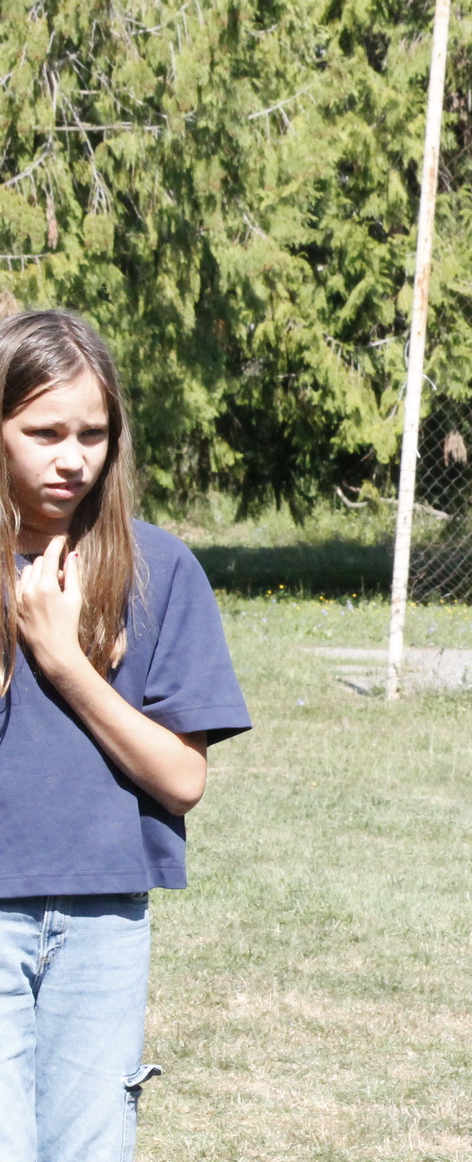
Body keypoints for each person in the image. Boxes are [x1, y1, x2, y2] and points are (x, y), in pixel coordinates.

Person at [0, 311, 251, 1162]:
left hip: (104, 921)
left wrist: (64, 662)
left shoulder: (159, 570)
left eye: (92, 434)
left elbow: (182, 780)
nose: (71, 458)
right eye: (43, 433)